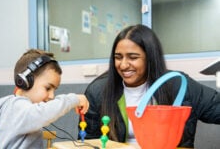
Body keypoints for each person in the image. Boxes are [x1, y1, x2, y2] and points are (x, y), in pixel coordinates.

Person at [81, 24, 220, 148]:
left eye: (133, 57)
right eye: (118, 57)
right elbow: (88, 143)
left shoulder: (178, 85)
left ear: (150, 58)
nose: (123, 65)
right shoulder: (98, 92)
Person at [0, 49, 89, 149]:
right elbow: (42, 113)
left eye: (54, 90)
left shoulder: (19, 108)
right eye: (48, 88)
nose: (52, 96)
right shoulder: (15, 108)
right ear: (26, 81)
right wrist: (74, 99)